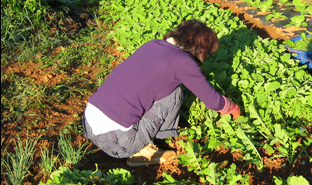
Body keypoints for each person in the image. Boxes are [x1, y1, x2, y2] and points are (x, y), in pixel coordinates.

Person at [83, 19, 240, 167]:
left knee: (169, 91)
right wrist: (232, 108)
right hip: (118, 144)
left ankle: (155, 136)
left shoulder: (153, 44)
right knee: (174, 95)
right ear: (199, 49)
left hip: (89, 124)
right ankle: (142, 151)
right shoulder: (182, 61)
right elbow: (214, 102)